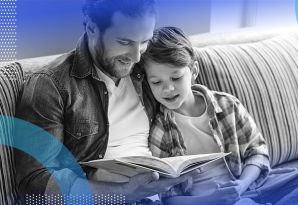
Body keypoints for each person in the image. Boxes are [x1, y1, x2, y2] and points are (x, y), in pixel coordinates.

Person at [141, 26, 298, 205]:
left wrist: (242, 185)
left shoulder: (226, 105)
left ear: (194, 71)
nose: (168, 89)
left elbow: (257, 152)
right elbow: (167, 197)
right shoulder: (160, 131)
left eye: (176, 78)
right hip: (208, 201)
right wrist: (212, 199)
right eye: (157, 82)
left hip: (251, 188)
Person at [15, 1, 193, 204]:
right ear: (91, 28)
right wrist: (124, 193)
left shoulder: (146, 70)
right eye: (124, 42)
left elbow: (188, 92)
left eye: (144, 41)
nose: (136, 57)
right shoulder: (51, 84)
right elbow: (34, 184)